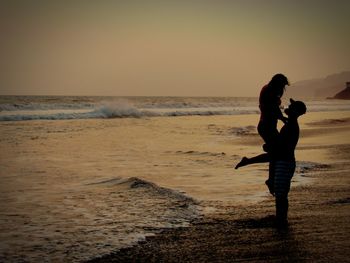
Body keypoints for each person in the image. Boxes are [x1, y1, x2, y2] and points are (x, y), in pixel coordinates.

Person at [235, 99, 307, 227]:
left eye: (292, 106)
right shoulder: (289, 124)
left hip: (285, 163)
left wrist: (268, 147)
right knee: (280, 194)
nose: (288, 106)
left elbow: (279, 149)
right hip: (283, 161)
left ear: (296, 112)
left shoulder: (291, 126)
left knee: (281, 195)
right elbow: (277, 150)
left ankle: (281, 220)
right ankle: (281, 219)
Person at [236, 74, 290, 193]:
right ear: (277, 83)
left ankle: (270, 179)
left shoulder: (269, 90)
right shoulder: (269, 90)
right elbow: (270, 109)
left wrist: (282, 118)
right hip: (266, 126)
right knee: (277, 154)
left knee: (275, 154)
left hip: (269, 126)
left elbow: (272, 109)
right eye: (282, 85)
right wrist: (282, 118)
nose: (283, 88)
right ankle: (249, 162)